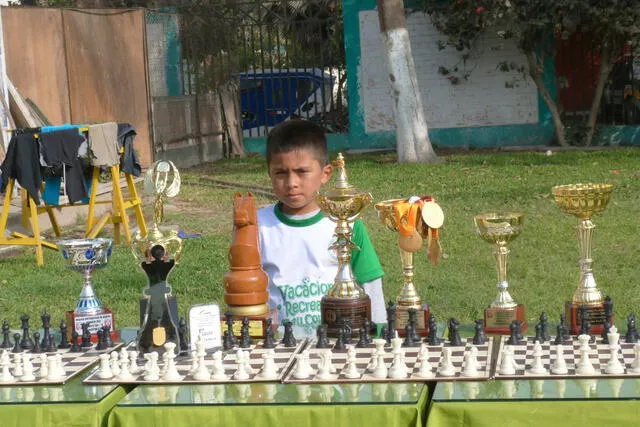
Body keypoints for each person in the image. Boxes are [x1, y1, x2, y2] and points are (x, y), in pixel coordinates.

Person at [257, 120, 385, 334]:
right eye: (281, 173)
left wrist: (379, 333)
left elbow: (370, 284)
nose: (291, 183)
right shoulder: (256, 225)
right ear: (269, 172)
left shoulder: (348, 222)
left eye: (302, 171)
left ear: (325, 173)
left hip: (340, 343)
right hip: (279, 347)